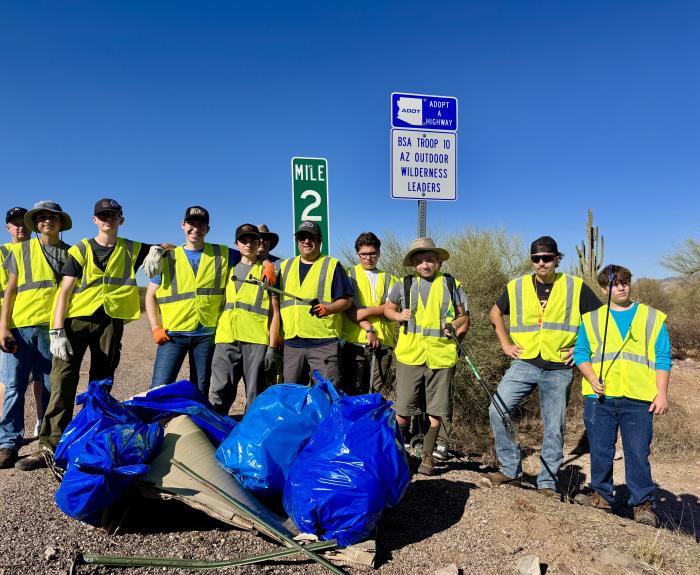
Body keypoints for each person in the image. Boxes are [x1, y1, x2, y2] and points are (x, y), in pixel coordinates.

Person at [17, 198, 166, 471]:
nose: (108, 218)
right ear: (95, 220)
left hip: (109, 323)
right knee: (62, 381)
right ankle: (49, 446)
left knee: (100, 384)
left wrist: (158, 249)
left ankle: (89, 440)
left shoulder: (132, 248)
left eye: (113, 214)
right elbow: (64, 292)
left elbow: (170, 248)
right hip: (76, 323)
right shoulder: (81, 249)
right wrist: (57, 329)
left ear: (121, 219)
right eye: (103, 215)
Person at [485, 235, 601, 496]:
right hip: (524, 362)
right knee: (497, 410)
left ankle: (547, 483)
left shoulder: (575, 286)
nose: (541, 263)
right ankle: (510, 468)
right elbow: (495, 313)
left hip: (559, 367)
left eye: (547, 258)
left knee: (554, 426)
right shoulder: (517, 286)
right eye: (536, 259)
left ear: (557, 259)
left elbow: (599, 321)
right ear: (531, 261)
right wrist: (505, 344)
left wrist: (582, 349)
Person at [573, 265, 671, 527]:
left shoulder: (652, 318)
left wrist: (661, 394)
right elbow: (581, 353)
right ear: (604, 289)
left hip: (639, 398)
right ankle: (601, 496)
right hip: (600, 398)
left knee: (637, 452)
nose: (621, 287)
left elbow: (662, 358)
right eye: (615, 284)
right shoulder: (591, 319)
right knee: (600, 450)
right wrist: (592, 378)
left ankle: (642, 505)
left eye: (625, 282)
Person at [384, 238, 469, 476]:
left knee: (436, 411)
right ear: (413, 263)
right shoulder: (403, 284)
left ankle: (427, 458)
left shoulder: (451, 283)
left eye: (429, 260)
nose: (425, 265)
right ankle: (393, 457)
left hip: (441, 356)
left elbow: (464, 316)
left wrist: (454, 325)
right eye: (420, 261)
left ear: (438, 261)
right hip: (410, 355)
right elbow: (388, 309)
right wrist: (397, 315)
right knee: (402, 411)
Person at [0, 201, 71, 469]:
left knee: (51, 387)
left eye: (52, 217)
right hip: (20, 328)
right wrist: (3, 327)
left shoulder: (71, 253)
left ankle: (47, 443)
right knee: (14, 386)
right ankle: (8, 444)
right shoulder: (20, 251)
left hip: (51, 329)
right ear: (35, 223)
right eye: (41, 217)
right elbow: (10, 292)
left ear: (61, 222)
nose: (47, 221)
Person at [146, 206, 227, 395]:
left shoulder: (221, 254)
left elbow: (250, 253)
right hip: (173, 334)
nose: (195, 229)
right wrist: (155, 327)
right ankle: (154, 425)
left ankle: (194, 424)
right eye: (191, 224)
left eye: (201, 225)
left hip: (206, 334)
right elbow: (150, 295)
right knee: (160, 386)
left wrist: (266, 263)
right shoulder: (166, 257)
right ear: (183, 225)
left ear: (208, 229)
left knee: (200, 387)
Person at [209, 224, 280, 413]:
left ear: (259, 243)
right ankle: (217, 436)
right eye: (244, 240)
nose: (248, 244)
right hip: (226, 338)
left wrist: (272, 347)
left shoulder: (268, 272)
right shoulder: (227, 268)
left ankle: (252, 439)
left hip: (255, 340)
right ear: (237, 244)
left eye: (253, 241)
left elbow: (274, 312)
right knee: (219, 392)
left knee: (255, 396)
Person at [277, 220, 353, 387]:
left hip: (323, 342)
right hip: (292, 343)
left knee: (326, 393)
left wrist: (329, 308)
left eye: (311, 237)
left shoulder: (331, 265)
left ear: (319, 241)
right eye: (302, 237)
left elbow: (347, 301)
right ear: (297, 241)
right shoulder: (285, 266)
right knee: (292, 394)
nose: (306, 241)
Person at [0, 207, 44, 438]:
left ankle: (41, 422)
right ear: (7, 228)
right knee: (11, 383)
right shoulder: (3, 252)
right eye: (15, 223)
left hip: (41, 324)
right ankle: (7, 435)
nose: (20, 227)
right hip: (13, 326)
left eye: (24, 223)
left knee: (41, 380)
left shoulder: (41, 250)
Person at [341, 232, 397, 396]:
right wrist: (369, 327)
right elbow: (348, 309)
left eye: (372, 253)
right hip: (355, 344)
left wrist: (364, 311)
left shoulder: (389, 279)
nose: (368, 257)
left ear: (379, 253)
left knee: (376, 394)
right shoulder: (348, 274)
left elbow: (391, 308)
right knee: (352, 392)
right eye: (364, 254)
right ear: (357, 253)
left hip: (383, 345)